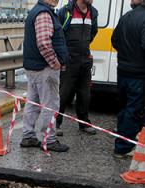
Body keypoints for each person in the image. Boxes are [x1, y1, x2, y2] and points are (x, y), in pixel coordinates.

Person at [110, 0, 145, 157]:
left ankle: (121, 144)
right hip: (140, 74)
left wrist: (128, 53)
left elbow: (114, 40)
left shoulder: (127, 16)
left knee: (124, 109)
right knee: (135, 112)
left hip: (124, 71)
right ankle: (124, 148)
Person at [20, 0, 70, 152]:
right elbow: (43, 42)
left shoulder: (38, 10)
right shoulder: (44, 13)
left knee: (33, 102)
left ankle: (28, 136)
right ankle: (49, 140)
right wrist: (54, 62)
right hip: (44, 67)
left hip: (35, 67)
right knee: (50, 104)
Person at [55, 0, 99, 136]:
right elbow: (57, 34)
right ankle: (56, 124)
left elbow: (92, 34)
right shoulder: (65, 12)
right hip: (69, 60)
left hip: (85, 60)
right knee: (63, 93)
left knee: (84, 94)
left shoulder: (93, 13)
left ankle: (84, 123)